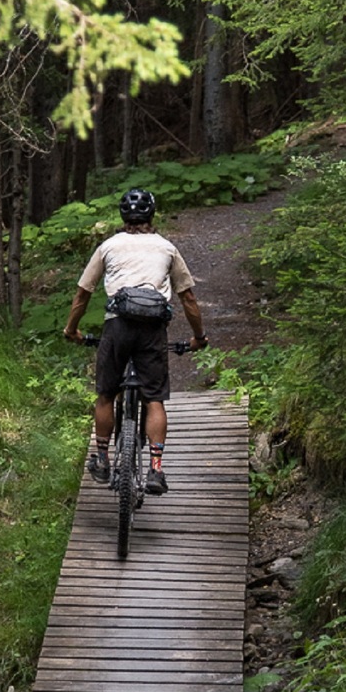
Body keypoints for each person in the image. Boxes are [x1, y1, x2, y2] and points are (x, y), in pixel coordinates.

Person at [63, 187, 207, 495]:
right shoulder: (167, 248)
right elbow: (189, 298)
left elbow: (82, 294)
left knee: (105, 393)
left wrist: (71, 329)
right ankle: (156, 469)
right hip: (152, 330)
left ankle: (102, 458)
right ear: (152, 216)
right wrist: (198, 337)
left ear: (122, 216)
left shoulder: (109, 246)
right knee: (154, 399)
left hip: (117, 327)